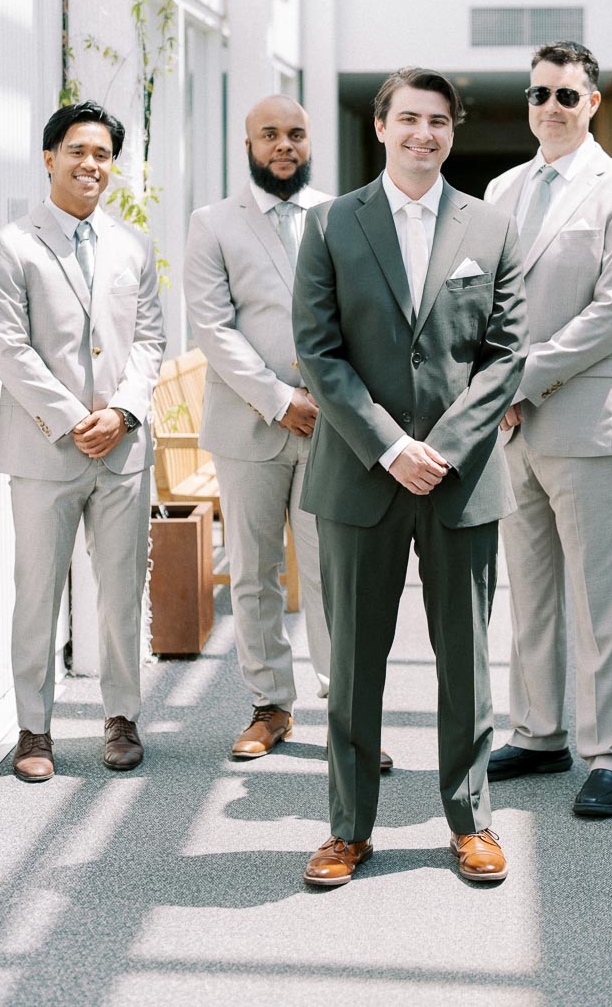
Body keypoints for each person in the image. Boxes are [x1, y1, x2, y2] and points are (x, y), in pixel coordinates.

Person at [292, 67, 527, 885]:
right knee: (356, 662)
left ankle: (472, 822)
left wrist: (446, 448)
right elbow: (318, 352)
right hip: (362, 473)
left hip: (459, 479)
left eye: (439, 122)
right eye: (409, 119)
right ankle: (347, 829)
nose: (424, 134)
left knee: (465, 658)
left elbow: (505, 356)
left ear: (452, 132)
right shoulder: (329, 224)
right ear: (381, 126)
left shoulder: (491, 227)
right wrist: (392, 446)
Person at [185, 96, 393, 769]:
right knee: (254, 572)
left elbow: (367, 316)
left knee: (338, 572)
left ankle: (348, 713)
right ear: (247, 144)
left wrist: (336, 401)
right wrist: (279, 399)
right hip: (249, 423)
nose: (284, 145)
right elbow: (213, 327)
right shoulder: (211, 223)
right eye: (270, 134)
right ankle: (269, 705)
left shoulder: (344, 215)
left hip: (333, 426)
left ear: (311, 143)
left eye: (296, 134)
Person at [484, 41, 612, 818]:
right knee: (531, 593)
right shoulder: (500, 188)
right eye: (537, 95)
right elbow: (484, 299)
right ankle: (539, 731)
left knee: (603, 600)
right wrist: (495, 387)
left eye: (565, 95)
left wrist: (518, 379)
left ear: (592, 102)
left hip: (590, 423)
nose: (549, 108)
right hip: (512, 429)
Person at [0, 101, 165, 781]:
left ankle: (121, 718)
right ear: (50, 156)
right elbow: (8, 348)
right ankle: (34, 730)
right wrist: (71, 418)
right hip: (44, 450)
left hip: (122, 449)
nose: (91, 164)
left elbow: (150, 340)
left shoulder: (132, 245)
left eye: (104, 155)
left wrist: (121, 412)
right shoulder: (9, 245)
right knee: (38, 590)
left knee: (120, 591)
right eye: (78, 151)